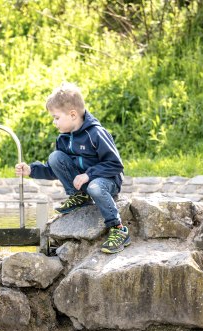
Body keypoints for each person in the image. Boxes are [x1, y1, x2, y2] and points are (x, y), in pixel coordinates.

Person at [15, 82, 130, 254]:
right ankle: (79, 197)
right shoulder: (63, 138)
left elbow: (115, 164)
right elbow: (56, 169)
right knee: (55, 157)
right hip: (85, 183)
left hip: (106, 181)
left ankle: (118, 229)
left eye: (56, 117)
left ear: (73, 114)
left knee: (94, 187)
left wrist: (88, 175)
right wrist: (32, 170)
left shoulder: (96, 134)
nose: (54, 122)